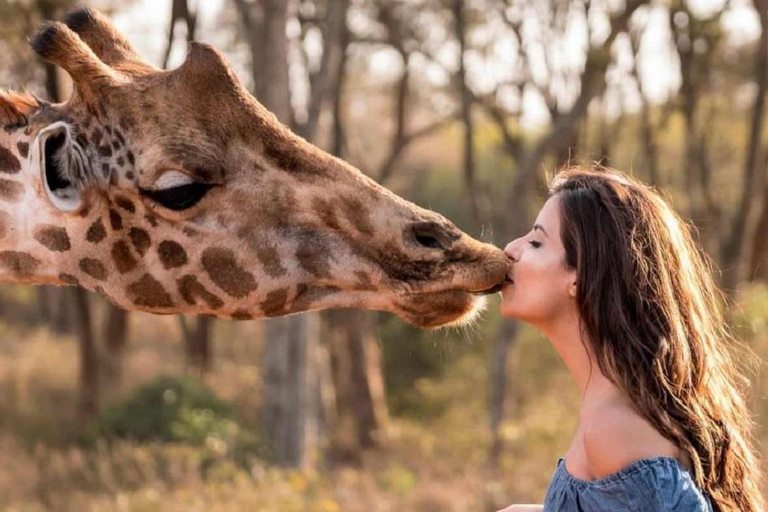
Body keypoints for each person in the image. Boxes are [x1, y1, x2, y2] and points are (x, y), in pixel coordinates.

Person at [497, 167, 765, 512]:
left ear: (581, 276)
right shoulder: (616, 409)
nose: (510, 249)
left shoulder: (613, 430)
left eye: (536, 242)